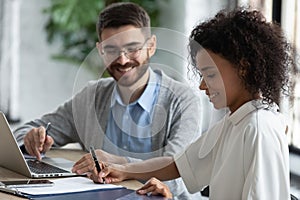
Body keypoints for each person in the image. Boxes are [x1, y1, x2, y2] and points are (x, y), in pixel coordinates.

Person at [88, 8, 296, 200]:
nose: (202, 86)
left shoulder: (258, 127)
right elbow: (179, 164)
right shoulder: (235, 121)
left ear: (243, 68)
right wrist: (122, 170)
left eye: (210, 75)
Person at [14, 2, 204, 199]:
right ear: (100, 50)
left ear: (151, 46)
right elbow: (21, 133)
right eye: (111, 50)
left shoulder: (183, 101)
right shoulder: (91, 97)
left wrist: (120, 163)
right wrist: (31, 139)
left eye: (132, 48)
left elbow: (179, 174)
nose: (122, 60)